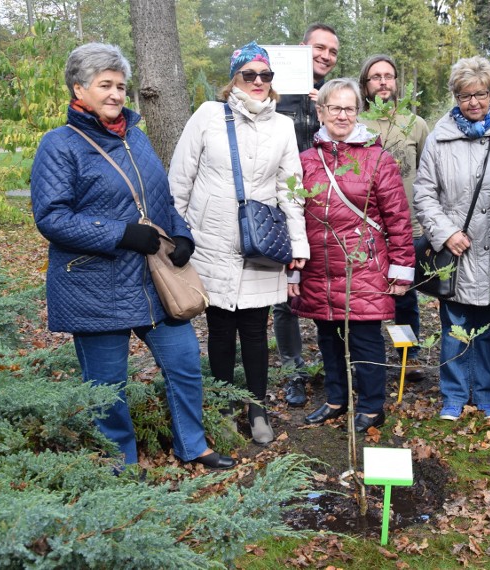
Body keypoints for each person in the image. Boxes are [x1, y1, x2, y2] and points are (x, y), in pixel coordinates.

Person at [30, 42, 235, 470]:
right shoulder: (60, 145)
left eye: (121, 86)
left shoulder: (136, 138)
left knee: (183, 365)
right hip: (94, 285)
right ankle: (119, 463)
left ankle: (192, 445)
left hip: (152, 282)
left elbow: (158, 199)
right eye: (105, 85)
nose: (115, 94)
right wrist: (121, 234)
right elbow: (51, 217)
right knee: (107, 386)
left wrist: (181, 236)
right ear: (79, 89)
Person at [168, 42, 309, 446]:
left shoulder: (282, 126)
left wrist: (297, 246)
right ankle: (226, 407)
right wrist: (176, 233)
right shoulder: (209, 116)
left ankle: (257, 407)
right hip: (210, 239)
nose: (259, 82)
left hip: (259, 241)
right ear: (235, 78)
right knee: (220, 327)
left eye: (266, 75)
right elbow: (180, 179)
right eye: (250, 74)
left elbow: (290, 189)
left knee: (254, 328)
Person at [293, 78, 414, 433]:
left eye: (349, 108)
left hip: (363, 267)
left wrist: (401, 269)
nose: (342, 115)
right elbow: (295, 216)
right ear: (321, 112)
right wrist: (294, 272)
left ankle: (373, 406)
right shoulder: (305, 161)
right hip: (319, 267)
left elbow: (398, 218)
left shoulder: (378, 160)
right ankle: (335, 399)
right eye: (335, 108)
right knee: (328, 336)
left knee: (364, 339)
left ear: (358, 112)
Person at [413, 56, 490, 421]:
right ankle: (454, 395)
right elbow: (424, 193)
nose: (473, 102)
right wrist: (445, 232)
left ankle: (487, 394)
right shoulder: (439, 139)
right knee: (455, 327)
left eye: (481, 94)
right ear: (454, 96)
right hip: (457, 251)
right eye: (464, 95)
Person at [275, 23, 340, 407]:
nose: (325, 56)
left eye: (332, 51)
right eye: (319, 47)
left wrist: (324, 109)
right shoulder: (274, 89)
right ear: (302, 48)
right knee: (284, 296)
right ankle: (293, 372)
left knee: (326, 288)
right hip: (283, 207)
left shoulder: (332, 96)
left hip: (326, 210)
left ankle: (332, 366)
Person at [358, 54, 430, 382]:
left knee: (404, 296)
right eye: (376, 77)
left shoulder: (415, 125)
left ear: (396, 82)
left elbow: (429, 176)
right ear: (366, 84)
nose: (384, 82)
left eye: (389, 76)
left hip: (408, 229)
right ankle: (367, 358)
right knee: (368, 297)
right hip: (366, 230)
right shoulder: (357, 125)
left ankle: (406, 354)